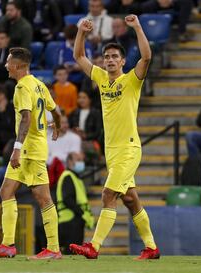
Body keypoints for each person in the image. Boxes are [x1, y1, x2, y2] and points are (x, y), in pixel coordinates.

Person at [69, 15, 159, 260]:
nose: (109, 60)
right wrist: (81, 33)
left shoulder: (131, 80)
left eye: (114, 57)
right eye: (106, 57)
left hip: (129, 149)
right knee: (130, 200)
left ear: (122, 61)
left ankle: (94, 246)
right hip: (112, 151)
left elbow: (147, 57)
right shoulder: (100, 78)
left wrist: (138, 27)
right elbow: (78, 57)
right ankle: (151, 247)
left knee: (108, 194)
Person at [0, 47, 62, 259]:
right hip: (31, 148)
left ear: (18, 65)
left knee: (43, 197)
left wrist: (16, 149)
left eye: (8, 62)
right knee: (6, 191)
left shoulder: (21, 88)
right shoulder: (39, 84)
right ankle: (7, 244)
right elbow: (55, 109)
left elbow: (26, 118)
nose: (6, 65)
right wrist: (58, 125)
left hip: (30, 150)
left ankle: (54, 248)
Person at [56, 152, 94, 254]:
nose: (81, 163)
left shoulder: (75, 177)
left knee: (73, 253)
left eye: (81, 160)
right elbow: (67, 199)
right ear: (69, 162)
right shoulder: (68, 176)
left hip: (73, 220)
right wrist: (81, 213)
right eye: (78, 160)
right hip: (70, 221)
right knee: (71, 253)